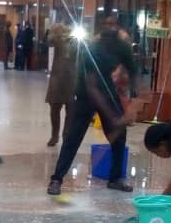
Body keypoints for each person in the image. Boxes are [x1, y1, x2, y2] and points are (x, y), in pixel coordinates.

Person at [48, 16, 137, 196]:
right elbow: (92, 88)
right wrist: (113, 118)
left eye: (114, 25)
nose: (111, 28)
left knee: (120, 136)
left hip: (108, 91)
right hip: (85, 95)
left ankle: (115, 178)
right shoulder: (92, 48)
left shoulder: (121, 46)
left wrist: (133, 103)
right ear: (100, 28)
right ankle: (56, 179)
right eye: (107, 24)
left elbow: (133, 72)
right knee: (73, 138)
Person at [44, 19, 76, 146]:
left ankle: (66, 135)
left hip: (72, 78)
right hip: (57, 78)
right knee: (54, 108)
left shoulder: (75, 40)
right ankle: (54, 135)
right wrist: (53, 32)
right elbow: (48, 42)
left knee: (71, 110)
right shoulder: (57, 39)